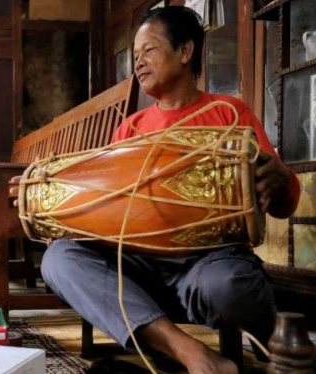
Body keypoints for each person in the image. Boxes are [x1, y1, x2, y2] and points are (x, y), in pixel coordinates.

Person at [39, 7, 300, 374]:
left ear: (185, 51)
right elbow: (103, 213)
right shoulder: (129, 129)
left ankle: (272, 343)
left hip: (208, 265)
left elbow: (284, 204)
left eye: (149, 50)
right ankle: (189, 352)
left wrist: (281, 179)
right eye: (135, 54)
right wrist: (52, 197)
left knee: (232, 285)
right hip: (139, 268)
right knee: (59, 260)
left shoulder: (229, 113)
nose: (138, 62)